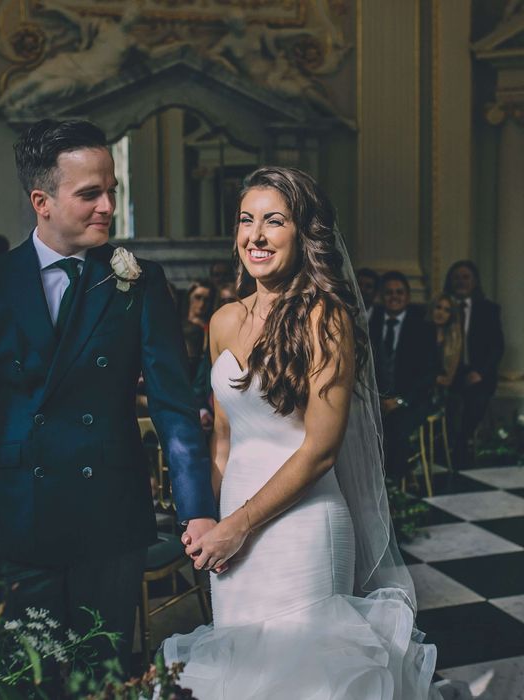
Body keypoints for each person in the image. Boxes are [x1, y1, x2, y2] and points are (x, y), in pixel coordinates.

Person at [0, 119, 217, 672]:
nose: (107, 206)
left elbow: (173, 407)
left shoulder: (139, 281)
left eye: (111, 190)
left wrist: (197, 510)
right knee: (25, 674)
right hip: (15, 516)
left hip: (108, 517)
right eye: (90, 193)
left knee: (101, 672)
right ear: (42, 200)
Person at [163, 167, 443, 698]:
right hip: (233, 533)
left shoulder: (325, 319)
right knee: (243, 677)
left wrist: (239, 525)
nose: (256, 236)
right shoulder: (222, 320)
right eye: (246, 220)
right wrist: (211, 520)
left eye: (274, 221)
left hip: (303, 529)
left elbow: (319, 451)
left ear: (304, 233)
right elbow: (222, 438)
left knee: (308, 679)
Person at [370, 272, 438, 479]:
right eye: (389, 293)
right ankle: (369, 485)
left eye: (399, 292)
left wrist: (399, 400)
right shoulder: (369, 325)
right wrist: (378, 400)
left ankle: (395, 488)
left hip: (412, 400)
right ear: (381, 297)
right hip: (376, 401)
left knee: (395, 430)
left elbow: (429, 372)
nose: (394, 297)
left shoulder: (423, 328)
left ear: (408, 297)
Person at [443, 260, 504, 466]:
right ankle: (449, 443)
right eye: (457, 277)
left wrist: (480, 372)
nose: (461, 281)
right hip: (448, 372)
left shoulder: (489, 309)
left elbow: (497, 347)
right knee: (447, 402)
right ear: (450, 282)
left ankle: (461, 444)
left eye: (466, 277)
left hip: (478, 373)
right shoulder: (442, 308)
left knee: (475, 399)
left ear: (475, 282)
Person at [427, 293, 463, 397]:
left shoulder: (454, 339)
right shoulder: (421, 333)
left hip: (447, 390)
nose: (441, 313)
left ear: (451, 315)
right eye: (438, 307)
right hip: (423, 388)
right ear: (432, 309)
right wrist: (434, 378)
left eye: (447, 310)